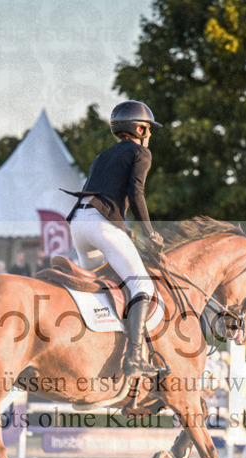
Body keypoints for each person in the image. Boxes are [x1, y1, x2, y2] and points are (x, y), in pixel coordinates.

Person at [64, 100, 163, 379]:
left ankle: (90, 346)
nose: (150, 135)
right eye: (149, 129)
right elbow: (136, 193)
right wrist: (149, 232)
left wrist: (123, 229)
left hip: (79, 223)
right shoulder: (141, 153)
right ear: (140, 128)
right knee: (142, 286)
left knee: (96, 287)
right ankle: (133, 357)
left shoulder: (102, 155)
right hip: (100, 226)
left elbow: (101, 194)